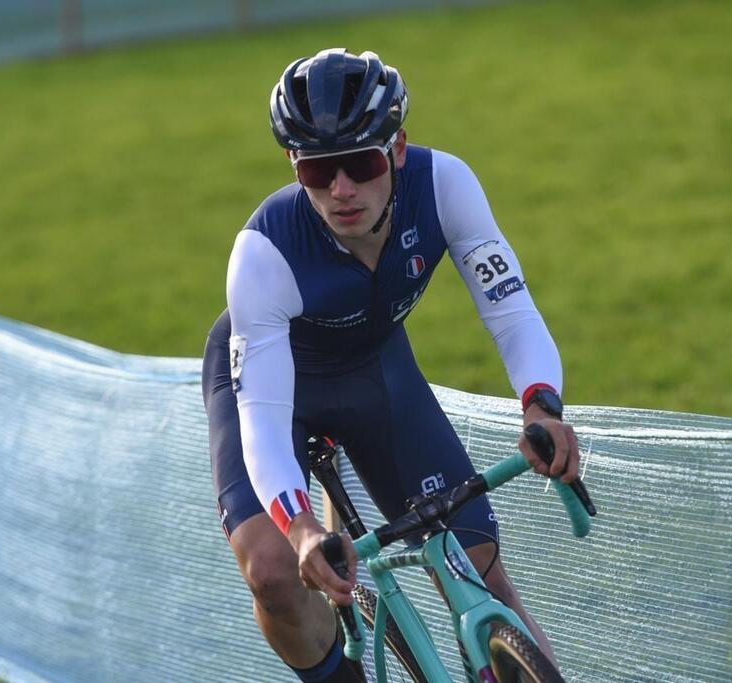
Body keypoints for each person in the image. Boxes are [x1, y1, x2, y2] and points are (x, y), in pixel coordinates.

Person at [202, 48, 580, 682]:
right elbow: (263, 424)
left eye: (360, 163)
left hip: (371, 369)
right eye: (318, 170)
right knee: (272, 570)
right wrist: (298, 531)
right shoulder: (263, 254)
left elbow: (510, 311)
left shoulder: (445, 185)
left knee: (474, 559)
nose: (341, 189)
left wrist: (542, 406)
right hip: (272, 391)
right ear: (295, 168)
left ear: (397, 149)